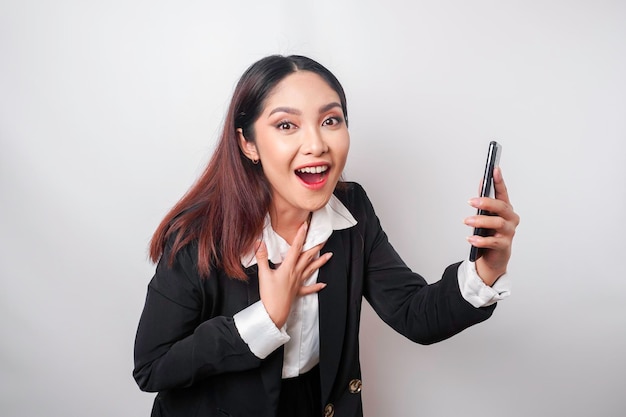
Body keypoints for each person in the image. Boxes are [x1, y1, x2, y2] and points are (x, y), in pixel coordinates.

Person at [133, 54, 520, 417]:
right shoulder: (198, 236)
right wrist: (265, 318)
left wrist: (486, 267)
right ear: (247, 143)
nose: (316, 144)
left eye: (330, 121)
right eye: (286, 125)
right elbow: (152, 367)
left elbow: (413, 313)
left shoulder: (352, 210)